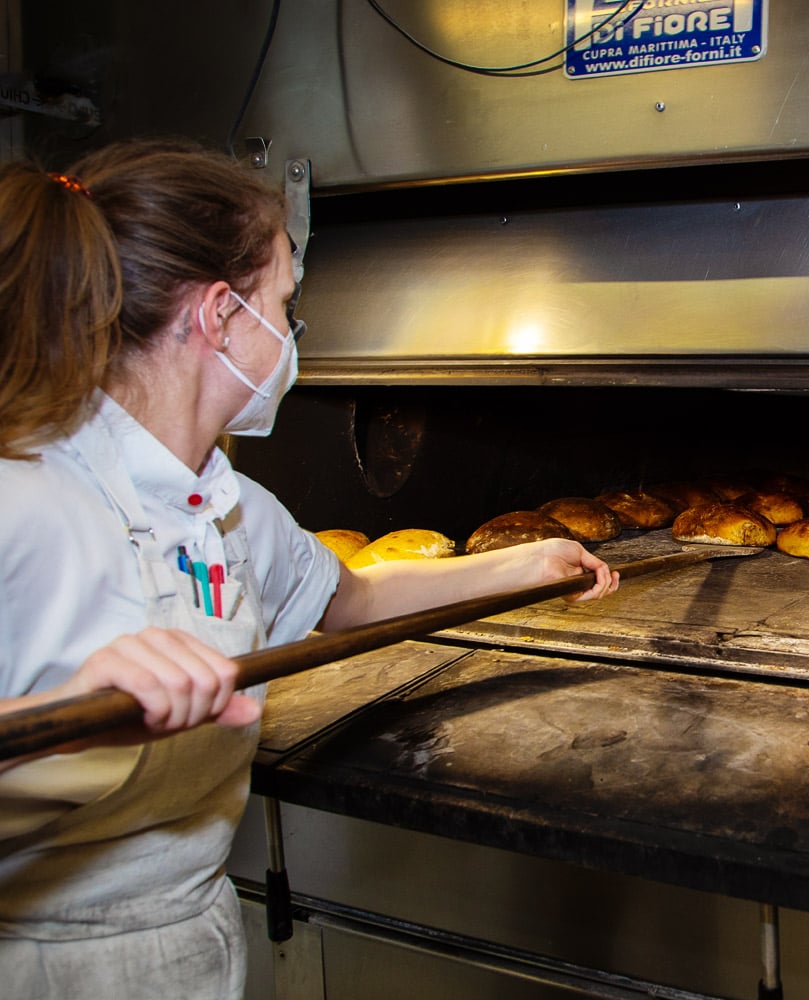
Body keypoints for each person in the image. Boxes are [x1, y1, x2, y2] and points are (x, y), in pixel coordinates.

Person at [0, 138, 619, 998]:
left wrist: (524, 566)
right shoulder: (22, 498)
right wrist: (62, 722)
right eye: (284, 304)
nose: (290, 334)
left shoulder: (227, 507)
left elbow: (352, 598)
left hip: (189, 935)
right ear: (220, 316)